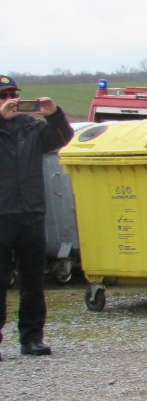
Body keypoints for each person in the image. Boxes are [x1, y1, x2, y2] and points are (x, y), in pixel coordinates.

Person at [0, 75, 74, 358]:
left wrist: (54, 115)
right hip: (1, 215)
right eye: (3, 96)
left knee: (32, 280)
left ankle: (31, 338)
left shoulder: (30, 127)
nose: (10, 101)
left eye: (13, 95)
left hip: (30, 212)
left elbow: (63, 139)